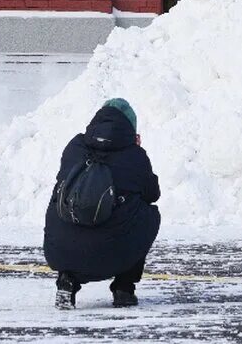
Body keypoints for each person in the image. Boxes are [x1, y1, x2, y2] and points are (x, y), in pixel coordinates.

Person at [44, 98, 160, 309]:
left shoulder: (74, 146)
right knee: (149, 213)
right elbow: (153, 194)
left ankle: (66, 281)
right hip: (113, 254)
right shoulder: (135, 155)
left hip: (60, 252)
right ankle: (124, 288)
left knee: (62, 205)